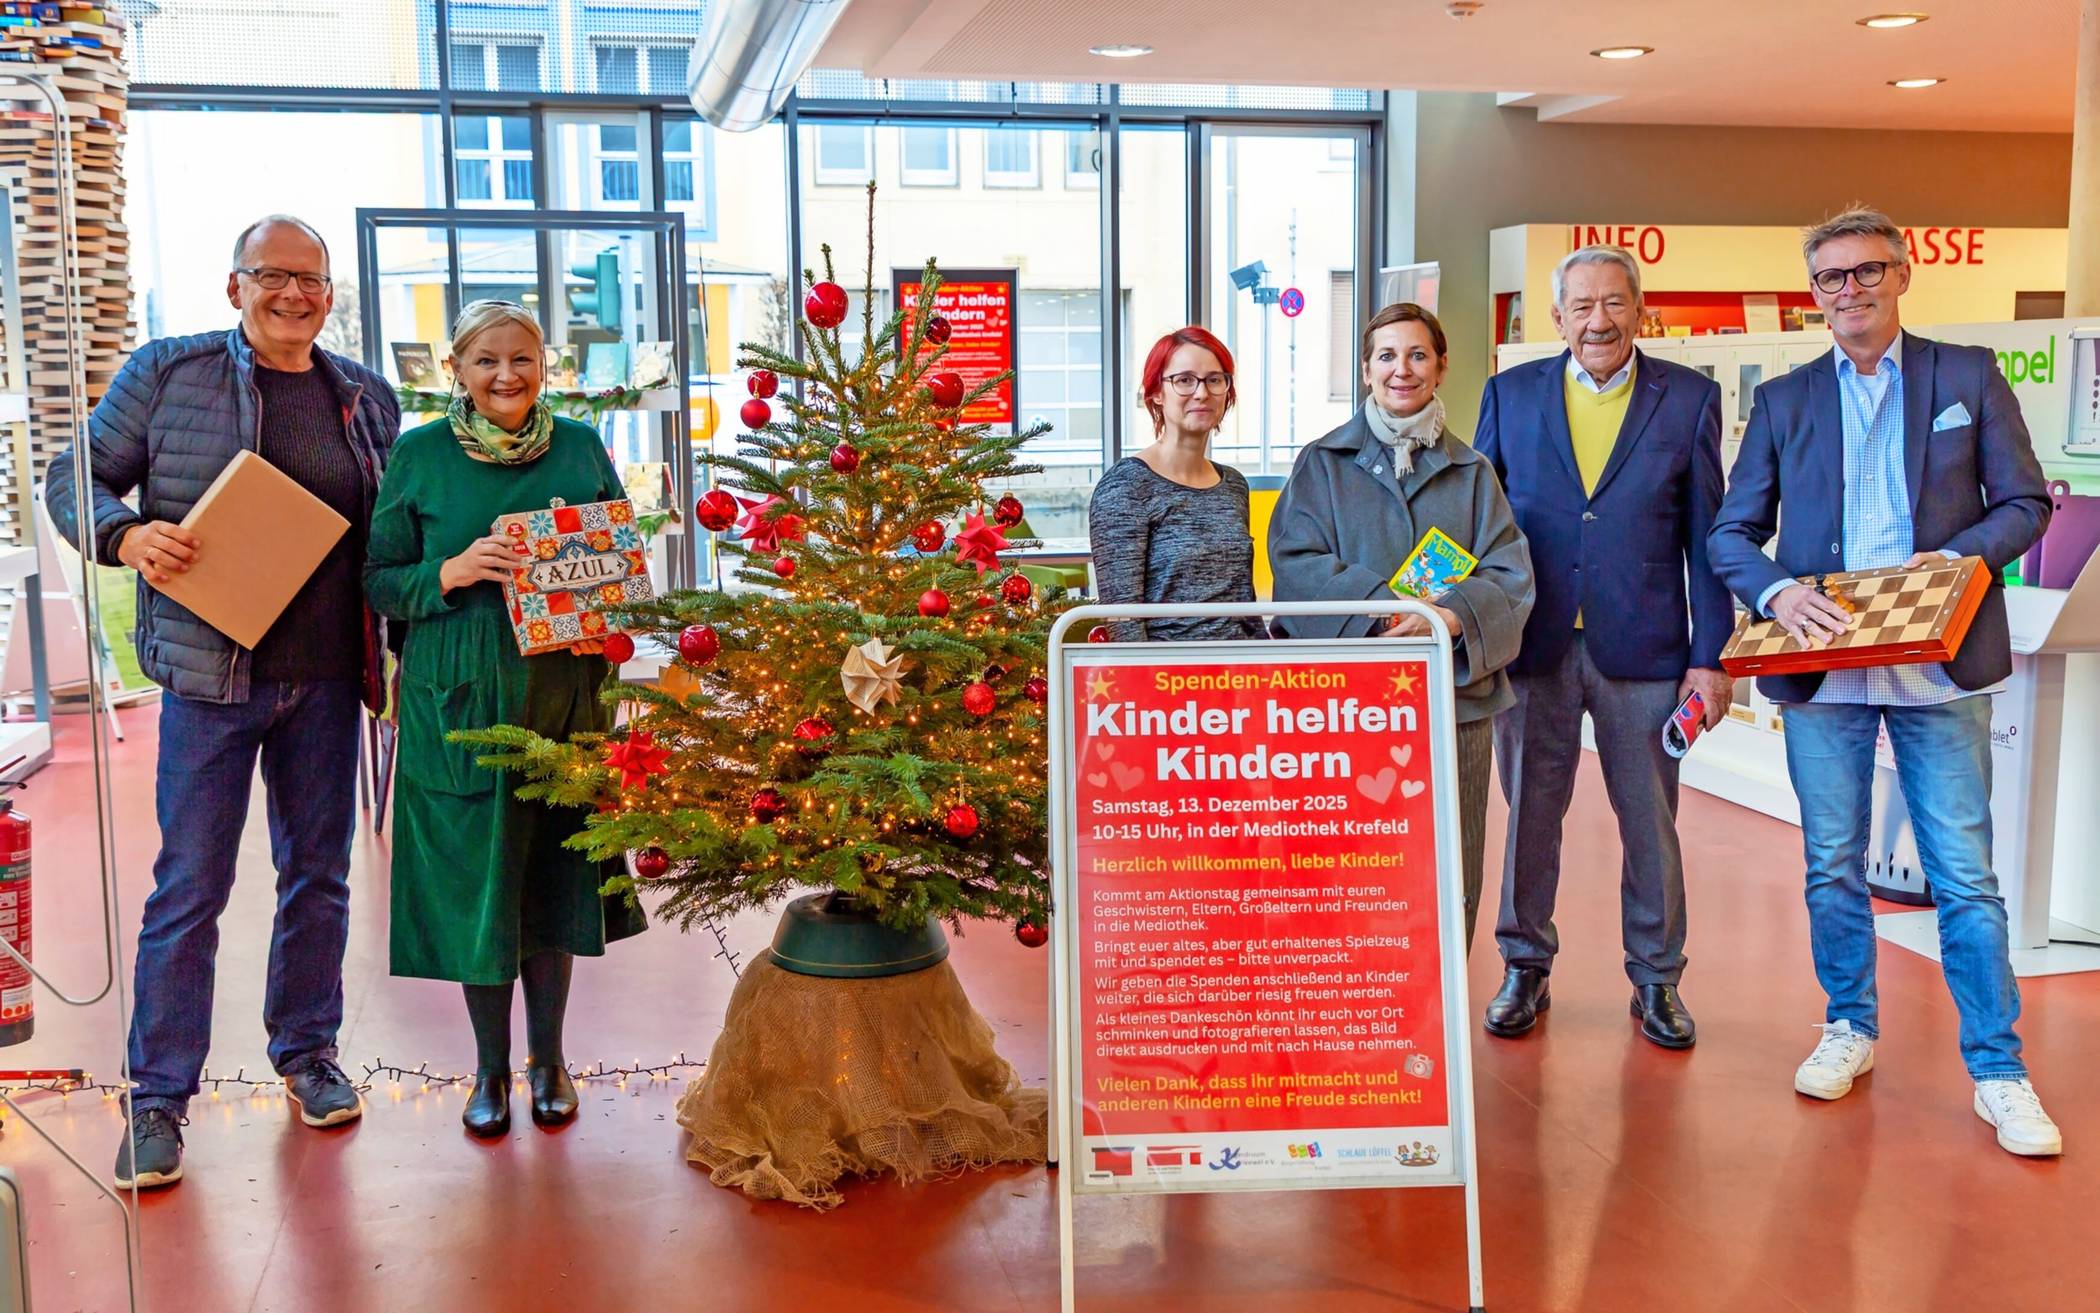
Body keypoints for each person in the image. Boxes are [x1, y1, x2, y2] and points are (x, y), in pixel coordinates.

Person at [44, 216, 399, 1189]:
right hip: (211, 679)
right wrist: (125, 536)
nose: (294, 293)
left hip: (326, 681)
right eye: (273, 274)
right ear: (234, 285)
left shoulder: (366, 396)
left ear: (331, 295)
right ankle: (156, 1098)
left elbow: (388, 533)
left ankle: (308, 1052)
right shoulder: (167, 372)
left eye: (312, 279)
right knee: (189, 888)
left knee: (318, 875)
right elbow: (74, 477)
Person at [1708, 207, 2060, 1156]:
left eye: (1867, 271)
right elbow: (1730, 534)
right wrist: (1778, 590)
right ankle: (1849, 1025)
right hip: (1824, 674)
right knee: (1832, 861)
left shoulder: (1966, 376)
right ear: (1813, 293)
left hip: (1938, 668)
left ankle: (1999, 1068)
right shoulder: (1784, 403)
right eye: (1831, 277)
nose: (1850, 290)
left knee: (1967, 878)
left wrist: (1951, 568)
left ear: (1902, 274)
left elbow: (2025, 501)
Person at [365, 300, 646, 1139]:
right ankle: (487, 1067)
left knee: (550, 880)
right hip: (456, 699)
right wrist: (448, 572)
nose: (507, 376)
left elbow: (620, 555)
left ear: (543, 363)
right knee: (477, 886)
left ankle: (548, 1059)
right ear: (457, 368)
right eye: (487, 360)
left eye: (522, 359)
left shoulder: (581, 446)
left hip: (563, 695)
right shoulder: (417, 457)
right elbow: (379, 579)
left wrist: (610, 599)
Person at [1473, 245, 1735, 1050]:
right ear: (1557, 317)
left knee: (1650, 822)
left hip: (1647, 650)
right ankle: (1525, 965)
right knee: (1530, 818)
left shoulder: (1688, 399)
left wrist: (1711, 655)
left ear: (1639, 309)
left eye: (1614, 303)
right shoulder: (1509, 394)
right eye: (1581, 305)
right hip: (1534, 644)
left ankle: (1657, 978)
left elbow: (1709, 536)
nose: (1598, 320)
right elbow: (1477, 526)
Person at [1270, 302, 1534, 946]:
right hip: (1346, 705)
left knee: (1451, 858)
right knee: (1348, 864)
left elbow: (1511, 575)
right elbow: (1294, 563)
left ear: (1440, 368)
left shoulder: (1474, 474)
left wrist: (1445, 618)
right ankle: (1356, 1002)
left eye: (1418, 355)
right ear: (1366, 369)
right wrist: (1387, 609)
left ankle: (1438, 1014)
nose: (1402, 369)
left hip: (1454, 703)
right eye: (1386, 355)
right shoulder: (1321, 464)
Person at [1087, 326, 1263, 641]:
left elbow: (1245, 605)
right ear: (1156, 393)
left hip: (1240, 677)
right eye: (1184, 380)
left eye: (1214, 379)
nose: (1201, 393)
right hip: (1168, 679)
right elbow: (1123, 620)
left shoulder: (1234, 485)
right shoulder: (1126, 486)